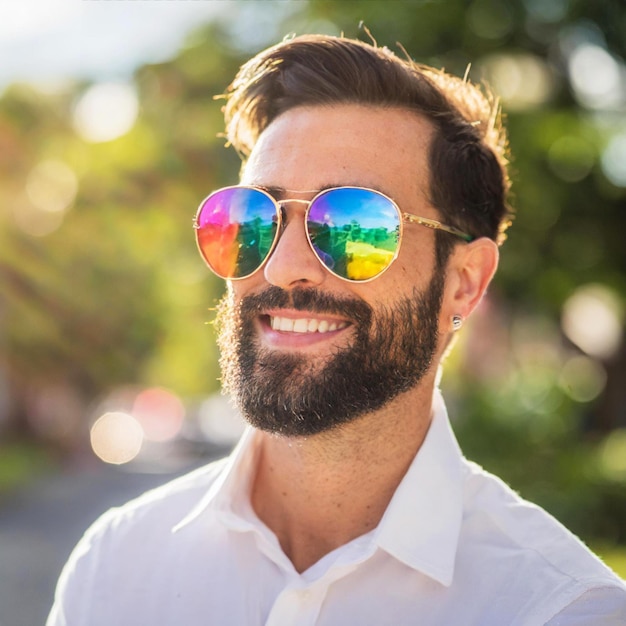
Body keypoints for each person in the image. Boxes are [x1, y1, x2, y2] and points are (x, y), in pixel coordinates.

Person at [48, 34, 626, 625]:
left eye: (355, 224)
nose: (282, 266)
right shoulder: (113, 570)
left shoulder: (564, 611)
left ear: (464, 283)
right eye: (253, 219)